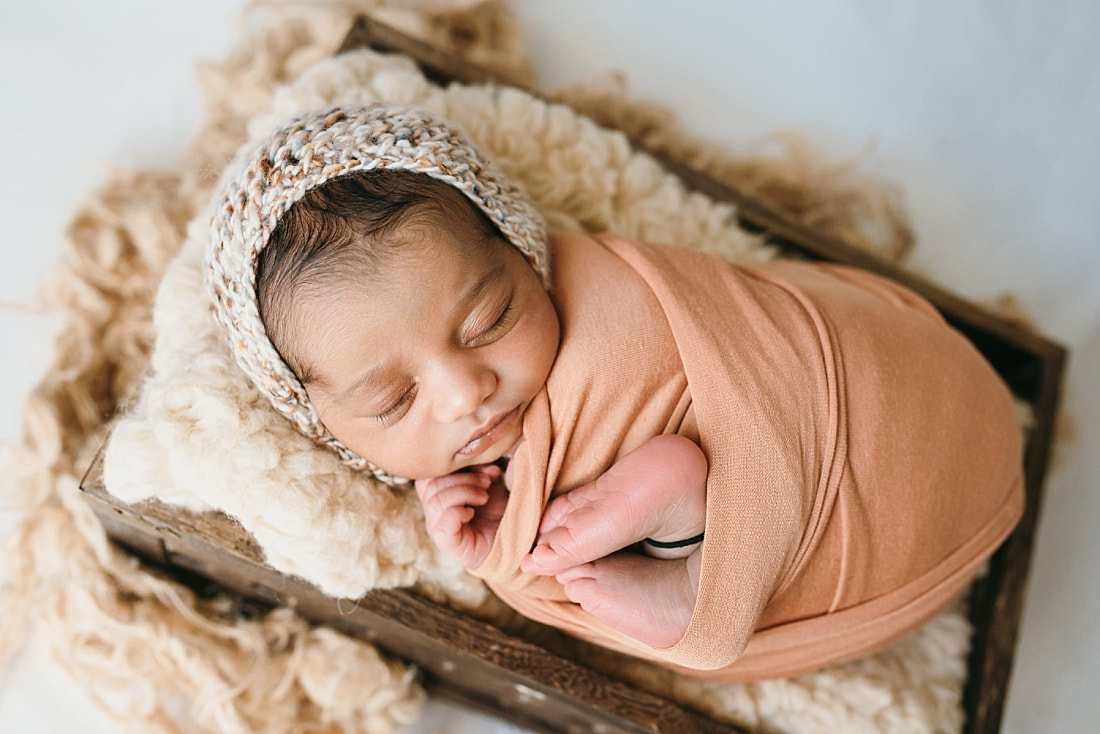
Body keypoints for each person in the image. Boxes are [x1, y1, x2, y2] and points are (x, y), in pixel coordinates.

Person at [206, 103, 1025, 679]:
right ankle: (684, 519)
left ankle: (693, 542)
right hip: (946, 469)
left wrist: (506, 554)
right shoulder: (465, 449)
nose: (467, 392)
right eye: (391, 401)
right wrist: (483, 528)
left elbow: (719, 333)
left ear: (525, 249)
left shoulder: (615, 295)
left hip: (894, 399)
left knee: (569, 556)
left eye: (490, 318)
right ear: (322, 426)